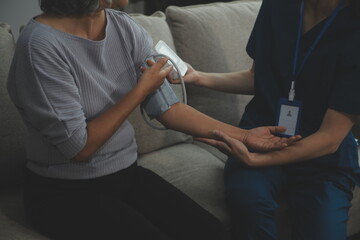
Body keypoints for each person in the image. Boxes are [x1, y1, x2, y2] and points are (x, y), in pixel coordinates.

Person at [6, 0, 299, 239]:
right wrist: (138, 91)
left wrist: (243, 136)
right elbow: (79, 147)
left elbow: (167, 109)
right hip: (64, 193)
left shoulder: (124, 27)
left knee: (212, 233)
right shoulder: (40, 46)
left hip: (125, 174)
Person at [170, 0, 360, 239]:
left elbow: (330, 138)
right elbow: (258, 77)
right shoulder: (278, 6)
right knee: (248, 202)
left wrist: (256, 161)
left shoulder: (354, 28)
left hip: (322, 159)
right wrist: (199, 77)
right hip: (259, 135)